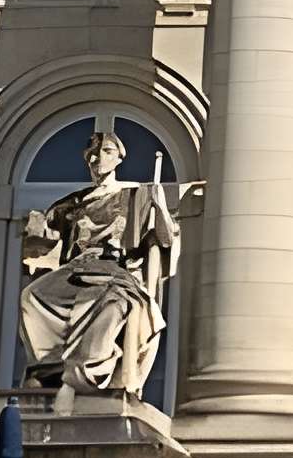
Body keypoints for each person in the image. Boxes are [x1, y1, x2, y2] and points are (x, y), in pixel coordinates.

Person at [17, 123, 178, 397]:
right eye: (92, 153)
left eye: (106, 151)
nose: (98, 158)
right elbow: (46, 240)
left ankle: (85, 373)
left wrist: (159, 205)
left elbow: (164, 239)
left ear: (119, 159)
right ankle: (48, 366)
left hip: (113, 271)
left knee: (113, 305)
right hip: (75, 270)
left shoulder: (135, 195)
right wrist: (37, 227)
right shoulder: (73, 203)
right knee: (32, 296)